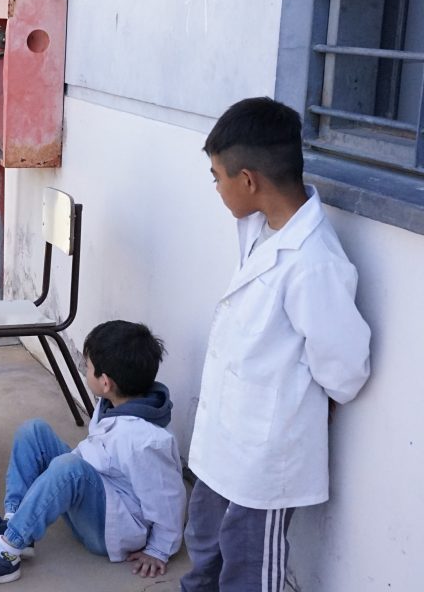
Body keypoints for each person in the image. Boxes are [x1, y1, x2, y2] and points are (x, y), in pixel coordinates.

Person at [181, 97, 372, 592]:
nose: (216, 188)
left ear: (248, 180)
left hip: (264, 455)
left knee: (248, 566)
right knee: (205, 545)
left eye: (217, 177)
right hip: (223, 439)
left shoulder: (314, 262)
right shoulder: (258, 226)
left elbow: (346, 368)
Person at [0, 321, 185, 589]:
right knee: (33, 431)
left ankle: (6, 554)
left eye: (87, 367)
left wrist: (159, 549)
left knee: (68, 467)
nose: (85, 371)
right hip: (100, 494)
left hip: (111, 530)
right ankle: (16, 523)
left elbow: (167, 497)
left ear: (105, 382)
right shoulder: (116, 403)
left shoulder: (147, 440)